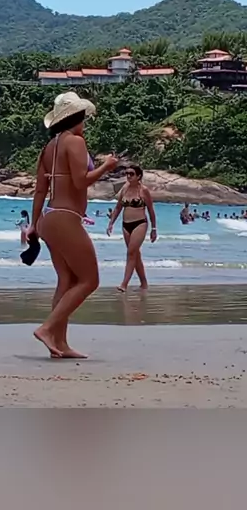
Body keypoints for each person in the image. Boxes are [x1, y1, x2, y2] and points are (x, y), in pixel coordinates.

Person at [27, 91, 118, 359]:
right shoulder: (75, 142)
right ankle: (47, 329)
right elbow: (81, 181)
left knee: (66, 280)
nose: (85, 122)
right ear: (76, 117)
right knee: (90, 280)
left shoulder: (49, 147)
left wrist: (34, 224)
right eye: (84, 117)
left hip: (49, 217)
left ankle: (60, 344)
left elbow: (40, 190)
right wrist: (107, 166)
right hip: (66, 217)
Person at [107, 165, 157, 293]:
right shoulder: (125, 188)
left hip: (140, 224)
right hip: (126, 225)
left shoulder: (144, 190)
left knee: (131, 253)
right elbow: (118, 207)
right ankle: (144, 284)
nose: (128, 176)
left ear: (138, 176)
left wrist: (154, 228)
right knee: (135, 255)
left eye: (131, 174)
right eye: (127, 173)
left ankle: (124, 284)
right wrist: (111, 223)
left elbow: (151, 210)